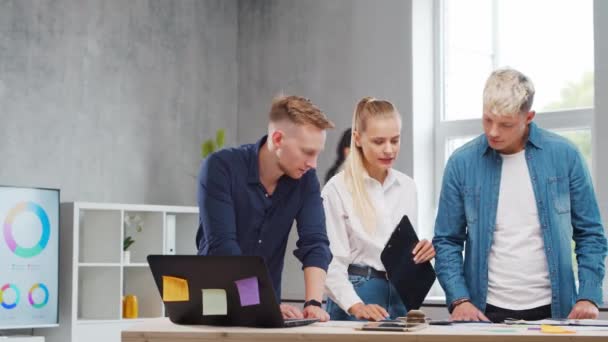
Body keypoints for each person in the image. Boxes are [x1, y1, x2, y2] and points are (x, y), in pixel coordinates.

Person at [432, 68, 607, 323]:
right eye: (487, 120)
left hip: (555, 311)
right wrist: (459, 299)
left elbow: (590, 233)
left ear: (529, 117)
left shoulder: (566, 157)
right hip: (484, 312)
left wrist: (589, 295)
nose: (493, 131)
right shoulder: (461, 163)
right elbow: (447, 240)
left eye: (505, 124)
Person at [195, 95, 335, 321]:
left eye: (317, 153)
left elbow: (315, 242)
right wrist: (259, 301)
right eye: (308, 152)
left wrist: (313, 303)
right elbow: (223, 246)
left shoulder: (306, 179)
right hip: (215, 302)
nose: (314, 164)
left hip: (268, 310)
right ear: (278, 139)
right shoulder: (220, 168)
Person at [322, 97, 435, 321]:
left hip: (399, 295)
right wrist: (355, 306)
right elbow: (330, 263)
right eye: (378, 141)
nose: (389, 149)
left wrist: (422, 252)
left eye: (395, 140)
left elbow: (401, 249)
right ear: (357, 139)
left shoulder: (407, 187)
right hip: (356, 295)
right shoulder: (336, 189)